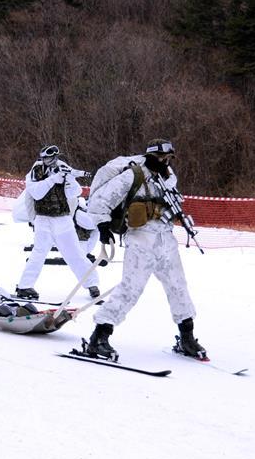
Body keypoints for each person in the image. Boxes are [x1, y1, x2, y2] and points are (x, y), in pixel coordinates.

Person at [84, 139, 204, 360]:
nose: (165, 161)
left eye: (168, 158)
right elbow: (101, 200)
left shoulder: (167, 179)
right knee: (130, 289)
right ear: (150, 156)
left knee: (178, 286)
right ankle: (99, 337)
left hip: (165, 238)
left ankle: (187, 336)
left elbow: (173, 203)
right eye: (161, 157)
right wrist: (102, 226)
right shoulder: (133, 175)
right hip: (140, 239)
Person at [15, 145, 99, 301]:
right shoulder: (35, 171)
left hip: (63, 219)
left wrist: (69, 183)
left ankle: (92, 284)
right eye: (46, 158)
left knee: (76, 254)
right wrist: (53, 179)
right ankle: (25, 286)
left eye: (52, 158)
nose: (50, 161)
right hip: (43, 219)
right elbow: (36, 193)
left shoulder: (63, 168)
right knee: (38, 254)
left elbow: (76, 192)